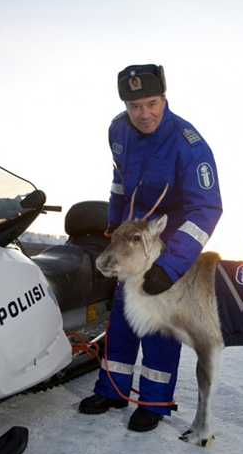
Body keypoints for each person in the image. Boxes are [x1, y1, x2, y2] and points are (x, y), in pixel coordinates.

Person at [79, 64, 223, 432]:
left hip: (166, 239)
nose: (143, 114)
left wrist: (170, 265)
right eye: (134, 106)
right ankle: (112, 390)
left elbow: (206, 209)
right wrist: (113, 226)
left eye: (151, 103)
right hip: (130, 237)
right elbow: (118, 182)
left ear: (164, 99)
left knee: (158, 322)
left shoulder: (189, 144)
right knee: (123, 315)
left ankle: (155, 402)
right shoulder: (117, 130)